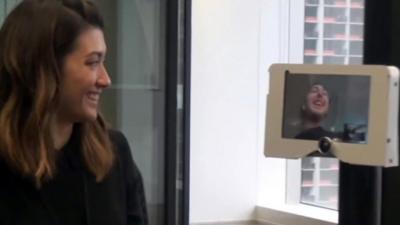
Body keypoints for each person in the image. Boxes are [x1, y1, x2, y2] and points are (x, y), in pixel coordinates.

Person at [0, 0, 148, 225]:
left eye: (103, 61)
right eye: (92, 62)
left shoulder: (114, 155)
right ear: (45, 70)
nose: (105, 80)